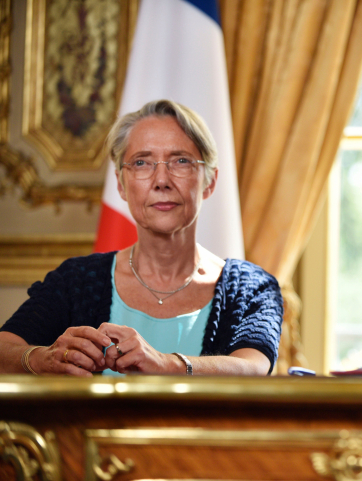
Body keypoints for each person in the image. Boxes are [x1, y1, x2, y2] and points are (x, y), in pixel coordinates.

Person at [0, 100, 283, 376]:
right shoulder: (76, 281)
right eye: (141, 163)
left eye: (181, 161)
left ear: (209, 182)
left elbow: (254, 368)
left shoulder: (252, 288)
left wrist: (166, 364)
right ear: (121, 185)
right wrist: (41, 359)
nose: (161, 180)